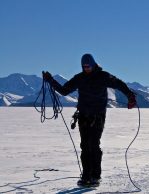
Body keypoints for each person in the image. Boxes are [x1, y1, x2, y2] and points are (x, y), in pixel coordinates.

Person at [43, 53, 137, 187]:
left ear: (93, 65)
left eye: (88, 66)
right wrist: (50, 80)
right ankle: (86, 175)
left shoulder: (103, 76)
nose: (86, 68)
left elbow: (119, 84)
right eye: (84, 67)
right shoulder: (79, 78)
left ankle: (96, 176)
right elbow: (64, 91)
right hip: (83, 116)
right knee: (85, 146)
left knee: (94, 145)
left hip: (98, 116)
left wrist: (130, 95)